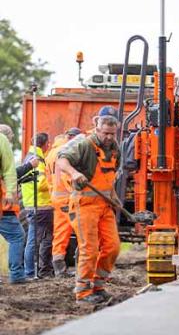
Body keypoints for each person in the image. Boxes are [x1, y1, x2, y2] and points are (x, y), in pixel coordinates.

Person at [57, 114, 120, 304]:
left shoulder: (114, 149)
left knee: (113, 247)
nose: (109, 137)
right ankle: (83, 292)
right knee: (89, 249)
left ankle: (98, 286)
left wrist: (114, 197)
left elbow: (109, 178)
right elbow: (62, 160)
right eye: (106, 133)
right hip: (84, 205)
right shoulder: (84, 144)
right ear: (97, 129)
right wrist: (75, 173)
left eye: (112, 134)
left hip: (104, 205)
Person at [46, 128, 81, 277]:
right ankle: (83, 268)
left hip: (56, 197)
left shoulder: (50, 154)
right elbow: (68, 177)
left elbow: (49, 179)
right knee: (83, 232)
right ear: (72, 138)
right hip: (68, 197)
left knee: (60, 232)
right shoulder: (66, 153)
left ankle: (59, 268)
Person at [21, 132, 53, 279]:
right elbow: (40, 184)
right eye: (48, 143)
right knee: (34, 240)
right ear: (44, 144)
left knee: (38, 238)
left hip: (33, 203)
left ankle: (40, 270)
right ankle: (29, 272)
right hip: (39, 204)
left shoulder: (28, 157)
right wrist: (54, 182)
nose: (50, 145)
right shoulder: (38, 160)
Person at [0, 124, 27, 284]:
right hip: (5, 206)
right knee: (17, 236)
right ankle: (16, 274)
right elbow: (10, 171)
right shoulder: (2, 141)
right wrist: (10, 192)